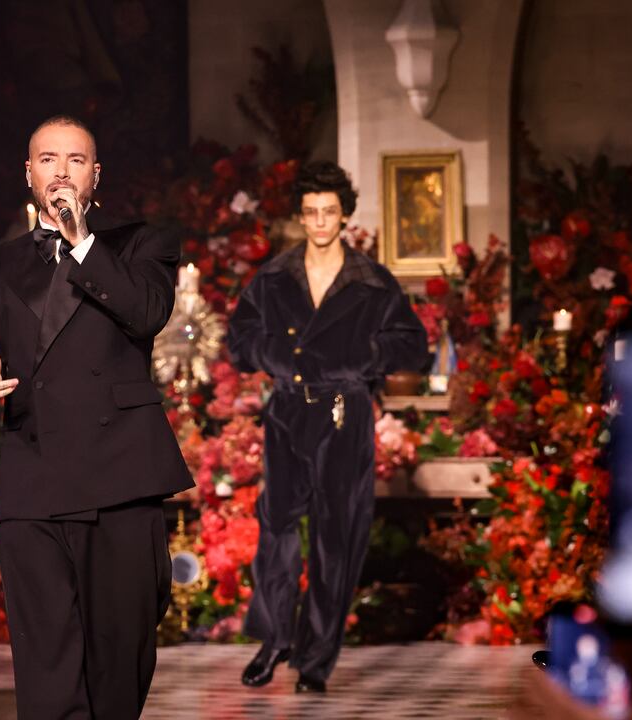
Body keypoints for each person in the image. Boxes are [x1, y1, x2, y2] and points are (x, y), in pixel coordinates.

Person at [0, 115, 192, 718]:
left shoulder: (144, 243)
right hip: (35, 477)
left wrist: (83, 242)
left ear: (95, 175)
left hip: (121, 475)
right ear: (28, 174)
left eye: (76, 160)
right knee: (46, 663)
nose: (61, 171)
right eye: (48, 159)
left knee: (119, 658)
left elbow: (145, 314)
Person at [228, 161, 429, 693]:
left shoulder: (369, 282)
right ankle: (275, 639)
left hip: (344, 413)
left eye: (330, 213)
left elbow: (412, 345)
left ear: (345, 217)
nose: (320, 222)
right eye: (311, 213)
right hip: (289, 409)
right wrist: (271, 353)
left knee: (336, 538)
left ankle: (315, 661)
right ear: (301, 217)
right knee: (275, 527)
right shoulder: (274, 278)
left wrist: (360, 355)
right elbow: (239, 339)